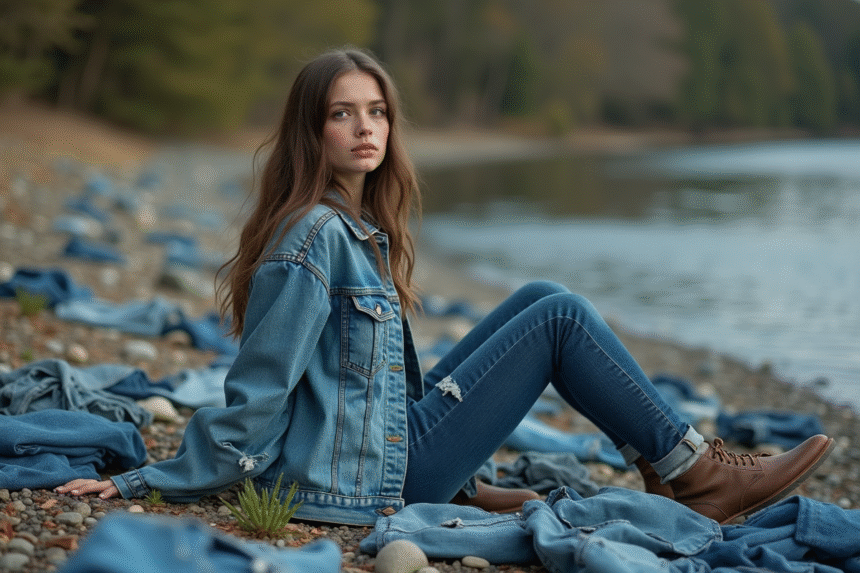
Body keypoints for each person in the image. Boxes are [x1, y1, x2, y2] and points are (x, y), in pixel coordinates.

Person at [56, 48, 834, 526]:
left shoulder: (354, 229)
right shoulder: (313, 238)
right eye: (342, 114)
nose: (366, 128)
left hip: (382, 461)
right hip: (372, 484)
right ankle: (695, 472)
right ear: (311, 130)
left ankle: (667, 464)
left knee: (537, 294)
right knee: (560, 315)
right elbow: (255, 399)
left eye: (378, 112)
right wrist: (143, 482)